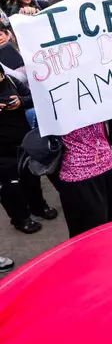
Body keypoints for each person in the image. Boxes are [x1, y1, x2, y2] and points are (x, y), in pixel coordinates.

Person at [0, 65, 57, 234]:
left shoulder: (12, 81)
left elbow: (32, 97)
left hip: (22, 140)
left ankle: (38, 206)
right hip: (2, 150)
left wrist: (20, 102)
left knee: (31, 177)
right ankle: (20, 218)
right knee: (10, 186)